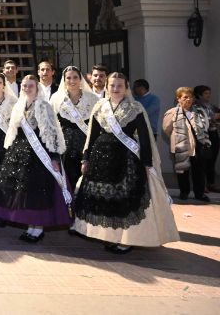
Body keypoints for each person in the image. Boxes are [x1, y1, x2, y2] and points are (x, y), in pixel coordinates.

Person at [73, 72, 179, 254]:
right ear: (107, 87)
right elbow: (91, 135)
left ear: (126, 87)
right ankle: (110, 236)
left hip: (126, 160)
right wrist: (85, 158)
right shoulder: (100, 106)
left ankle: (126, 240)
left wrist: (146, 163)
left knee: (125, 201)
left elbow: (145, 138)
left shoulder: (135, 108)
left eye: (119, 86)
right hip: (100, 160)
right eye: (112, 85)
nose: (115, 89)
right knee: (106, 200)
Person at [0, 75, 71, 243]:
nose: (27, 89)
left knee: (36, 192)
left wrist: (55, 157)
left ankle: (38, 228)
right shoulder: (18, 106)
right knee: (23, 192)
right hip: (20, 152)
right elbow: (14, 130)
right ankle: (30, 226)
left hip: (39, 155)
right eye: (24, 86)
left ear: (37, 88)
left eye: (31, 86)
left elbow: (52, 133)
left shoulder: (44, 106)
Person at [49, 66, 100, 192]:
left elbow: (98, 124)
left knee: (86, 178)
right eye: (68, 78)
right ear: (64, 80)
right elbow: (50, 124)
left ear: (80, 79)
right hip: (64, 145)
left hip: (86, 144)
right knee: (67, 179)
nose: (72, 80)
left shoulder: (92, 99)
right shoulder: (56, 98)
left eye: (75, 77)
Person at [162, 87, 210, 202]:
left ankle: (200, 193)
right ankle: (184, 192)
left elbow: (205, 126)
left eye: (190, 97)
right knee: (182, 171)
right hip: (181, 146)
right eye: (185, 97)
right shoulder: (172, 112)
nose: (188, 100)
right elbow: (166, 129)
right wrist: (177, 138)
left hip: (197, 146)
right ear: (178, 99)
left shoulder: (198, 112)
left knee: (199, 171)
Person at [193, 85, 220, 193]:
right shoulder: (195, 106)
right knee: (202, 161)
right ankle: (202, 185)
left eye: (209, 93)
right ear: (199, 95)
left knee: (212, 161)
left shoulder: (212, 106)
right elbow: (199, 121)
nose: (208, 95)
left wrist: (217, 118)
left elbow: (217, 121)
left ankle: (211, 183)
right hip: (203, 135)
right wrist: (213, 118)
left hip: (214, 134)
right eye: (206, 93)